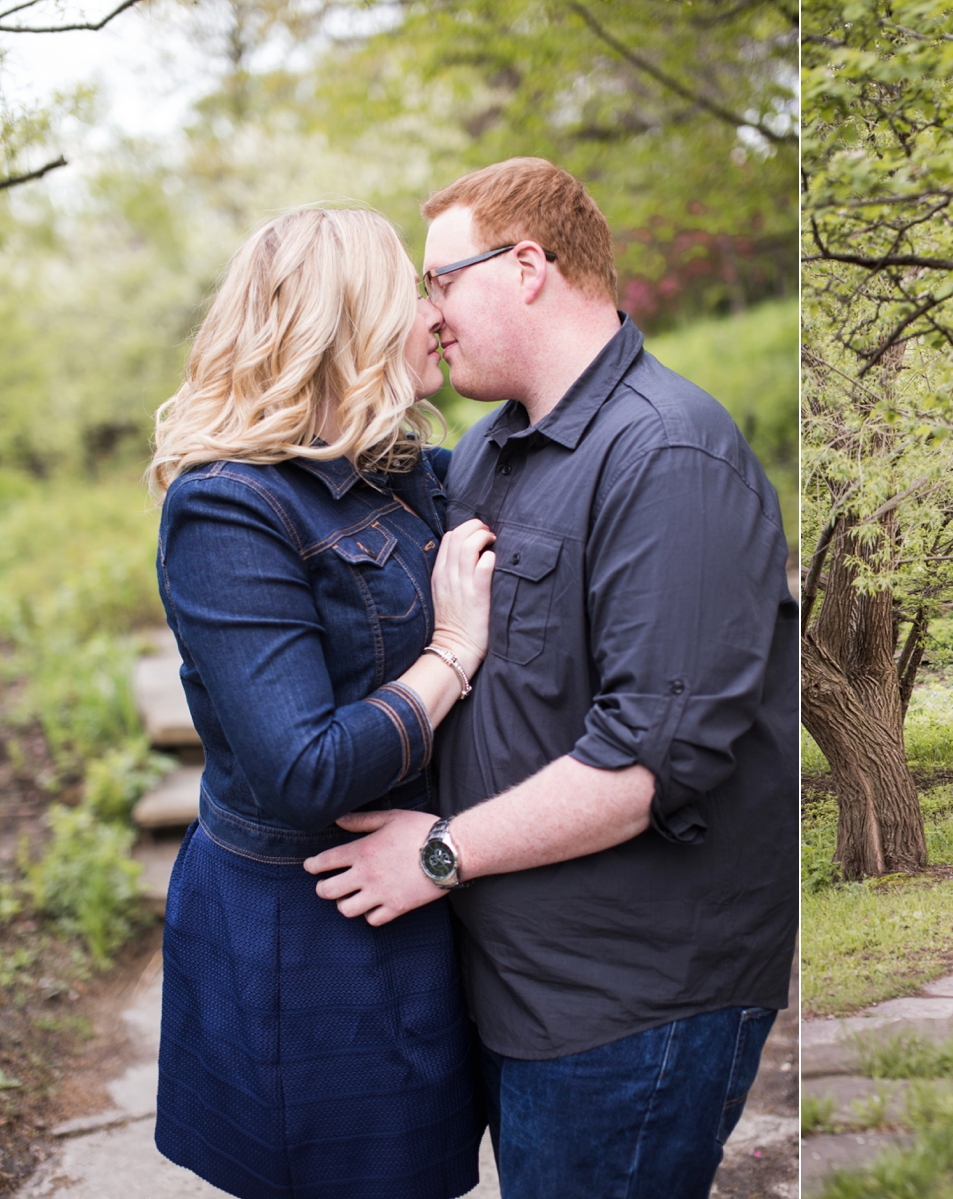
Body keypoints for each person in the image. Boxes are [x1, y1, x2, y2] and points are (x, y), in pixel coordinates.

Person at [304, 158, 797, 1198]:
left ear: (527, 265)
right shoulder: (489, 450)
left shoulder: (667, 455)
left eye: (440, 282)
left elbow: (642, 768)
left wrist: (437, 853)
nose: (429, 317)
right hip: (515, 979)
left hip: (631, 999)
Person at [147, 208, 496, 1199]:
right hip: (300, 928)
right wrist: (452, 651)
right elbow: (301, 766)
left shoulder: (407, 477)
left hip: (412, 897)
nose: (436, 315)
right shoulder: (229, 506)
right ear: (347, 321)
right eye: (412, 291)